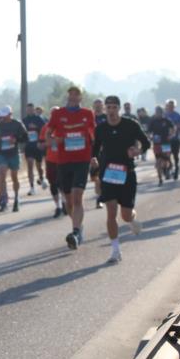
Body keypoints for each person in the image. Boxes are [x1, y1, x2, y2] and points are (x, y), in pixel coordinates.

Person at [93, 96, 149, 263]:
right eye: (108, 107)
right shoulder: (101, 128)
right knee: (111, 212)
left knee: (125, 215)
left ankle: (131, 219)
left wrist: (137, 151)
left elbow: (146, 143)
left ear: (118, 108)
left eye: (113, 107)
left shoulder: (130, 125)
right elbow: (95, 148)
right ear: (105, 109)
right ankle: (115, 250)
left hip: (127, 173)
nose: (110, 111)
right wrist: (94, 158)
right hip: (108, 174)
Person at [49, 86, 96, 249]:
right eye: (71, 95)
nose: (73, 97)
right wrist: (55, 141)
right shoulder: (58, 114)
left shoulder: (87, 114)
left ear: (80, 98)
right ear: (67, 96)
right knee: (68, 201)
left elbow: (93, 136)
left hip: (82, 160)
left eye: (76, 95)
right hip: (63, 162)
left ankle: (75, 232)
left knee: (77, 197)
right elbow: (48, 135)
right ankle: (78, 225)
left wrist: (94, 156)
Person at [0, 105, 29, 212]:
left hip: (13, 153)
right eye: (2, 116)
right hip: (2, 153)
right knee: (2, 176)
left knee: (14, 177)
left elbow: (25, 137)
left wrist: (16, 139)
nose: (3, 118)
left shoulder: (17, 124)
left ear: (10, 114)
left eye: (5, 116)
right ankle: (4, 200)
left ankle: (17, 198)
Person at [41, 107, 65, 218]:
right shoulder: (46, 127)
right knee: (53, 184)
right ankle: (58, 206)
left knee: (63, 184)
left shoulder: (65, 126)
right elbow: (40, 143)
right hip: (50, 160)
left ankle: (65, 203)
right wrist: (48, 143)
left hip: (64, 159)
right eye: (52, 114)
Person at [23, 102, 48, 196]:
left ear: (33, 110)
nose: (29, 111)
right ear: (26, 110)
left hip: (37, 146)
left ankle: (42, 178)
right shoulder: (24, 120)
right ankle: (32, 187)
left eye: (31, 109)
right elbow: (21, 132)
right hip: (29, 146)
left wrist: (41, 142)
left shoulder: (39, 119)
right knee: (30, 166)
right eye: (28, 109)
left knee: (39, 166)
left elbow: (45, 130)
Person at [147, 105, 175, 185]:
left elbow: (173, 128)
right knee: (158, 161)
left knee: (166, 158)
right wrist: (150, 137)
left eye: (160, 112)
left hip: (166, 143)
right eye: (157, 112)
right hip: (157, 144)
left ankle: (167, 169)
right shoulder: (153, 121)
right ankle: (160, 178)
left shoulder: (166, 120)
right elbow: (149, 132)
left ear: (162, 112)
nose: (158, 114)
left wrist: (171, 135)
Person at [91, 99, 108, 208]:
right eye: (96, 105)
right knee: (96, 177)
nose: (98, 107)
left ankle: (103, 196)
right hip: (94, 150)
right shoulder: (90, 118)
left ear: (103, 106)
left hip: (107, 150)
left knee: (105, 176)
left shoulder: (107, 118)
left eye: (99, 105)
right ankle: (99, 197)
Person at [164, 99, 180, 178]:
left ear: (174, 106)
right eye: (169, 106)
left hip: (175, 139)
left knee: (176, 155)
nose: (170, 107)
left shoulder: (178, 115)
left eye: (172, 106)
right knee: (167, 156)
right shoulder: (164, 115)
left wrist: (177, 127)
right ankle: (169, 168)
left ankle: (176, 168)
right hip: (166, 140)